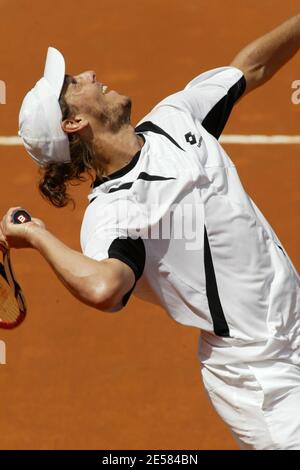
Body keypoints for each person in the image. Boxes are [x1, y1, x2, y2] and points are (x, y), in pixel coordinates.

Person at [1, 12, 300, 450]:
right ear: (73, 123)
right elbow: (105, 287)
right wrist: (40, 235)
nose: (90, 74)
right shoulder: (115, 212)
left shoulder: (174, 119)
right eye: (74, 83)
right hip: (260, 376)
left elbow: (249, 68)